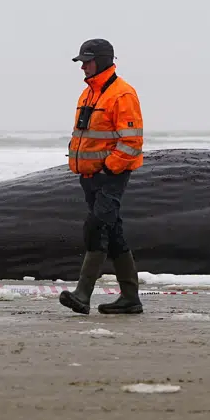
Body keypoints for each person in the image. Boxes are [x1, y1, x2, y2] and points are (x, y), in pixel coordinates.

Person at [59, 38, 145, 315]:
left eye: (88, 60)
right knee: (113, 232)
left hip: (111, 176)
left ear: (104, 60)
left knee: (96, 228)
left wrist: (109, 168)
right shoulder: (89, 94)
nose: (83, 66)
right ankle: (130, 298)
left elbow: (131, 142)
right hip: (89, 177)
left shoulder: (122, 94)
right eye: (82, 61)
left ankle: (82, 294)